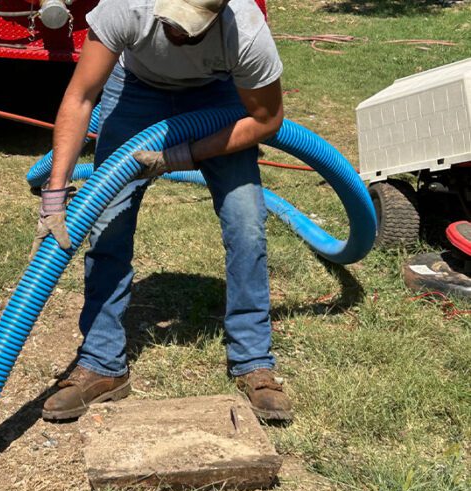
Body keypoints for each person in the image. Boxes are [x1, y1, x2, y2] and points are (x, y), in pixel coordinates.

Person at [31, 0, 293, 422]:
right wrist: (54, 198)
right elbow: (80, 98)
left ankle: (253, 361)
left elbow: (267, 119)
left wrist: (180, 155)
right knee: (107, 222)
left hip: (217, 96)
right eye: (172, 21)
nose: (179, 34)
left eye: (191, 27)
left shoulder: (244, 29)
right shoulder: (126, 7)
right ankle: (102, 364)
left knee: (246, 222)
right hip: (135, 89)